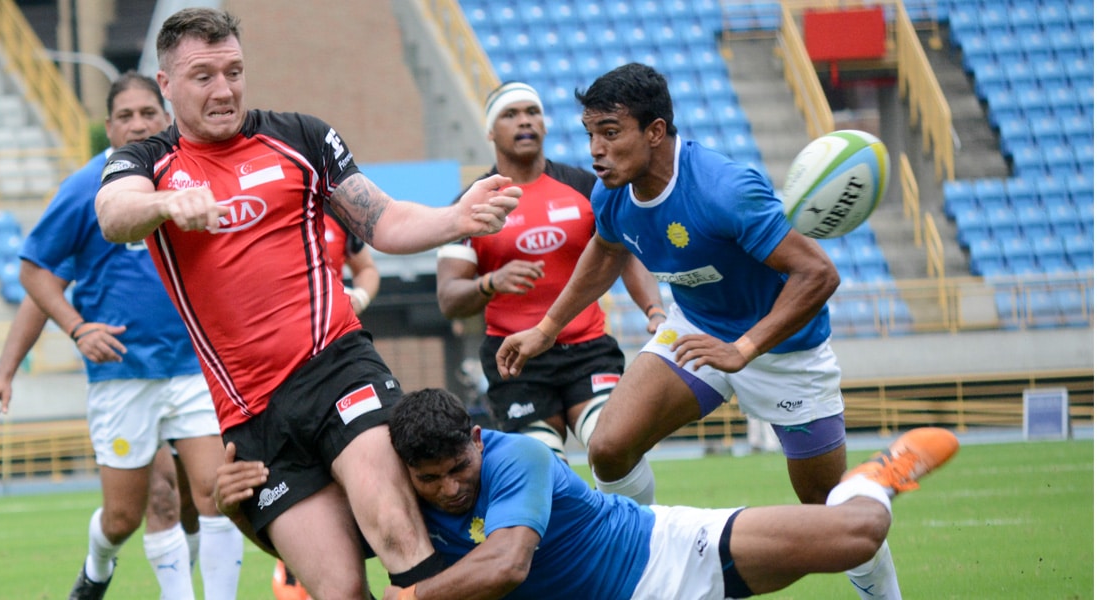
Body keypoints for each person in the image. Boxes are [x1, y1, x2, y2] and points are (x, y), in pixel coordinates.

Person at [93, 8, 520, 600]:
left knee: (400, 539)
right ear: (166, 85)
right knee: (338, 591)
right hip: (253, 415)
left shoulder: (301, 136)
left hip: (337, 369)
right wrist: (165, 206)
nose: (225, 90)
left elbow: (384, 219)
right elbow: (114, 215)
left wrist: (454, 219)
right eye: (203, 76)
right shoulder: (148, 161)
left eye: (234, 71)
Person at [494, 62, 902, 598]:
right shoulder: (613, 193)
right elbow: (607, 249)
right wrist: (548, 328)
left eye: (610, 133)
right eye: (591, 134)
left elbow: (818, 273)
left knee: (831, 511)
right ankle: (633, 564)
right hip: (696, 333)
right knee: (610, 447)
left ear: (655, 131)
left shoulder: (724, 190)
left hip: (785, 354)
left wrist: (747, 347)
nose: (595, 149)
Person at [214, 388, 960, 600]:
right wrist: (249, 508)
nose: (448, 488)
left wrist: (416, 598)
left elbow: (506, 565)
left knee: (854, 538)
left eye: (457, 470)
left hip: (668, 559)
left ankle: (874, 478)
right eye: (430, 480)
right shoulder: (403, 503)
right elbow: (319, 559)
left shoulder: (516, 459)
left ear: (477, 441)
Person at [17, 71, 242, 600]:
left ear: (166, 116)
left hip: (195, 367)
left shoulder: (192, 175)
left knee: (215, 494)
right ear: (108, 127)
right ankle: (98, 568)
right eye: (126, 115)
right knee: (125, 516)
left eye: (148, 113)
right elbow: (35, 271)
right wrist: (77, 329)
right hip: (121, 374)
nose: (138, 124)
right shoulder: (83, 189)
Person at [436, 81, 665, 480]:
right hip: (515, 361)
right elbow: (449, 298)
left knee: (614, 448)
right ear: (491, 131)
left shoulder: (587, 186)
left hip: (588, 349)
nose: (524, 121)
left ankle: (639, 537)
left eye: (532, 112)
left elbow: (624, 252)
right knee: (545, 474)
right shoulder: (469, 205)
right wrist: (491, 282)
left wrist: (655, 310)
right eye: (510, 114)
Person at [0, 264, 203, 590]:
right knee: (146, 506)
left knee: (198, 504)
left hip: (195, 372)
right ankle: (96, 569)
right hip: (126, 379)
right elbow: (42, 285)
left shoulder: (196, 215)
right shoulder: (92, 215)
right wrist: (4, 374)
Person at [272, 207, 380, 598]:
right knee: (303, 473)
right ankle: (298, 565)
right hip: (280, 371)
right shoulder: (265, 215)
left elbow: (367, 268)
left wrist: (360, 297)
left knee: (359, 468)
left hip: (340, 359)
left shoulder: (337, 214)